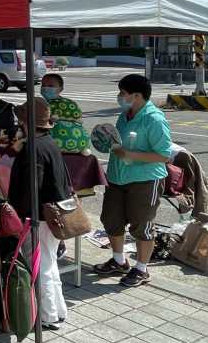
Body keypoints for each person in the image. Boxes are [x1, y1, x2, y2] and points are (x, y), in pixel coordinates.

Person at [93, 74, 172, 287]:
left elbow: (164, 155)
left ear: (136, 95)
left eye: (123, 93)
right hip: (117, 178)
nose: (119, 96)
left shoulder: (154, 119)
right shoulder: (124, 115)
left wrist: (131, 156)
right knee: (111, 220)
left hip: (145, 181)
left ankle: (141, 269)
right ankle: (119, 260)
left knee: (142, 225)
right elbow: (117, 143)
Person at [7, 97, 72, 329]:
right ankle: (58, 309)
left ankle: (48, 315)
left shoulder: (33, 149)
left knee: (41, 265)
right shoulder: (47, 142)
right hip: (53, 214)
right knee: (49, 262)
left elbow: (29, 190)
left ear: (26, 122)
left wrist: (20, 218)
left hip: (39, 217)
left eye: (20, 119)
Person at [40, 73, 90, 154]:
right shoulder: (40, 104)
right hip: (77, 144)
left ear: (60, 89)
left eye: (51, 86)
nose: (45, 88)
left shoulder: (70, 104)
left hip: (51, 146)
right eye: (43, 85)